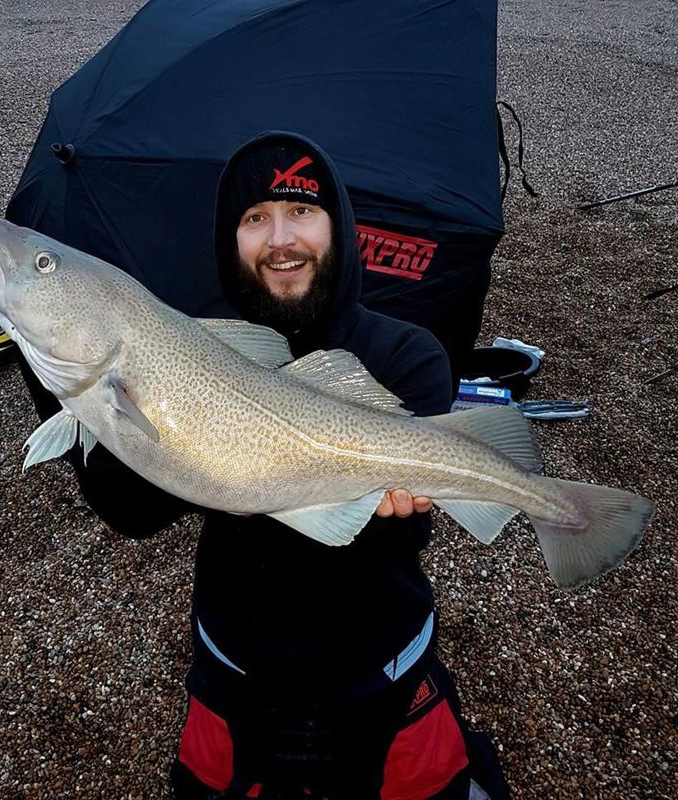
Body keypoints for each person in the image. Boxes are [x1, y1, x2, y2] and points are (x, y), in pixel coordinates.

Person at [169, 131, 509, 800]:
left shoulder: (408, 352)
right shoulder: (198, 347)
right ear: (228, 239)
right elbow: (132, 509)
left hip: (379, 670)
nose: (280, 239)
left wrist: (387, 503)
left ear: (340, 226)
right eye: (254, 218)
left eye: (302, 212)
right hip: (234, 666)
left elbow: (401, 536)